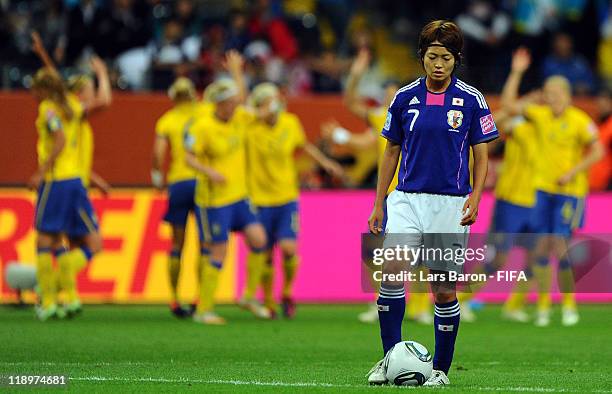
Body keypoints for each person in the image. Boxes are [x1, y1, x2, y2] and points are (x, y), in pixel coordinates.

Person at [366, 20, 499, 386]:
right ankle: (389, 359)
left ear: (456, 59)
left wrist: (475, 196)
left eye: (446, 57)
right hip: (407, 199)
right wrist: (380, 202)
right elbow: (391, 150)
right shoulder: (405, 97)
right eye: (432, 56)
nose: (438, 64)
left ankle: (440, 370)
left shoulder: (472, 100)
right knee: (392, 275)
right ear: (421, 56)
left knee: (442, 289)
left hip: (451, 204)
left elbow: (482, 155)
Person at [501, 48, 604, 327]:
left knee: (560, 247)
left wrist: (572, 171)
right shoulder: (541, 115)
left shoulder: (579, 121)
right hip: (543, 191)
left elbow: (598, 151)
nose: (551, 98)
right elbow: (509, 106)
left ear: (567, 96)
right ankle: (544, 307)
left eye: (556, 94)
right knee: (542, 247)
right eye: (548, 94)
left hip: (569, 193)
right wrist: (518, 72)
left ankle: (569, 305)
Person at [340, 48, 432, 325]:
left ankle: (419, 307)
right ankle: (380, 301)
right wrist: (356, 74)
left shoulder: (423, 117)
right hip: (389, 195)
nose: (391, 98)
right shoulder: (382, 117)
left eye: (396, 93)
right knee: (376, 251)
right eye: (388, 93)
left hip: (417, 193)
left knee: (422, 255)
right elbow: (348, 103)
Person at [185, 51, 269, 324]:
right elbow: (188, 157)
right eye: (230, 102)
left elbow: (244, 97)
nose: (235, 105)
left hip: (239, 196)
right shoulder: (203, 126)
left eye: (235, 102)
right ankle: (203, 309)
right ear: (219, 104)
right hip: (214, 200)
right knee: (217, 251)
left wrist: (235, 70)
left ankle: (247, 296)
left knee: (258, 240)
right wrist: (210, 172)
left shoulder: (239, 118)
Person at [246, 82, 343, 318]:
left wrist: (325, 162)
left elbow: (303, 146)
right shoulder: (249, 128)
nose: (274, 105)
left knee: (289, 248)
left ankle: (287, 291)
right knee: (266, 253)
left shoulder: (290, 123)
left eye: (275, 100)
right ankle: (268, 300)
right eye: (268, 101)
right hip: (259, 198)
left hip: (286, 196)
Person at [31, 32, 110, 317]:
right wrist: (42, 53)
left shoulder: (49, 109)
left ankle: (48, 299)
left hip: (57, 179)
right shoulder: (73, 107)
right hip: (75, 182)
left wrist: (41, 171)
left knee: (44, 240)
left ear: (42, 90)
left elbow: (60, 139)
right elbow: (57, 82)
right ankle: (70, 296)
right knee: (64, 240)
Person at [152, 77, 210, 318]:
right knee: (205, 244)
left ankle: (175, 298)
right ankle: (200, 297)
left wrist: (157, 177)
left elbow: (158, 154)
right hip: (203, 183)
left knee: (177, 244)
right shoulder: (206, 112)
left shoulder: (167, 120)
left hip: (179, 183)